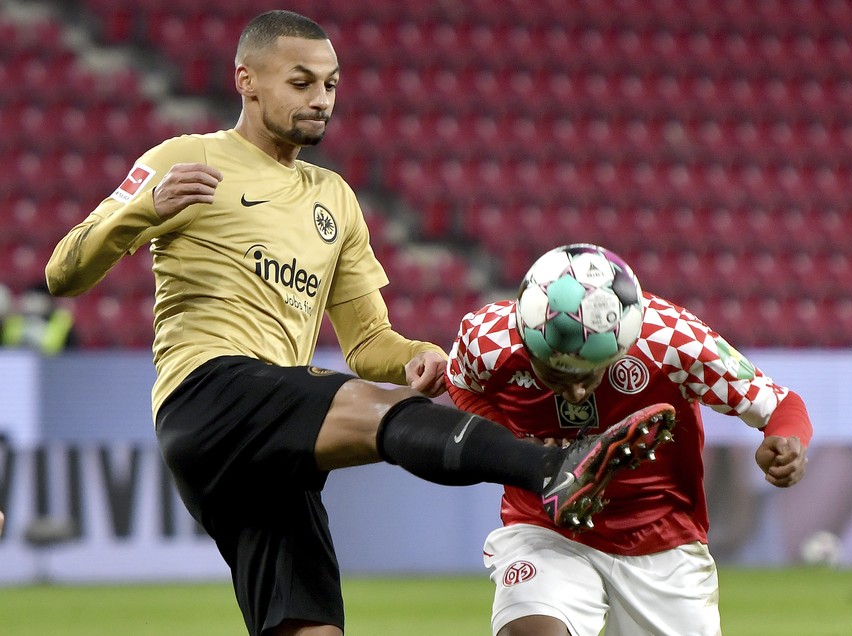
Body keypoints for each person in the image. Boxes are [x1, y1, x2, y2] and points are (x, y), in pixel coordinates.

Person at [43, 12, 662, 636]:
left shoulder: (334, 199)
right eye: (301, 82)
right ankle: (547, 468)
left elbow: (368, 344)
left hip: (275, 440)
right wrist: (141, 210)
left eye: (331, 86)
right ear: (246, 81)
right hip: (209, 394)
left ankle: (552, 469)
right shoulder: (187, 158)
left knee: (310, 628)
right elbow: (62, 272)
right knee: (372, 410)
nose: (320, 100)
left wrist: (416, 356)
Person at [446, 243, 812, 636]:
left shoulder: (671, 339)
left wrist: (786, 440)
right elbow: (461, 385)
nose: (575, 395)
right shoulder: (488, 340)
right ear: (526, 341)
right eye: (556, 377)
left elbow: (779, 404)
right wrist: (511, 443)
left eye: (589, 375)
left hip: (660, 540)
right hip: (546, 529)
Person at [0, 283, 77, 354]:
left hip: (53, 365)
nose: (34, 304)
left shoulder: (61, 323)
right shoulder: (13, 321)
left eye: (38, 300)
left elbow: (72, 355)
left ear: (48, 302)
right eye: (31, 299)